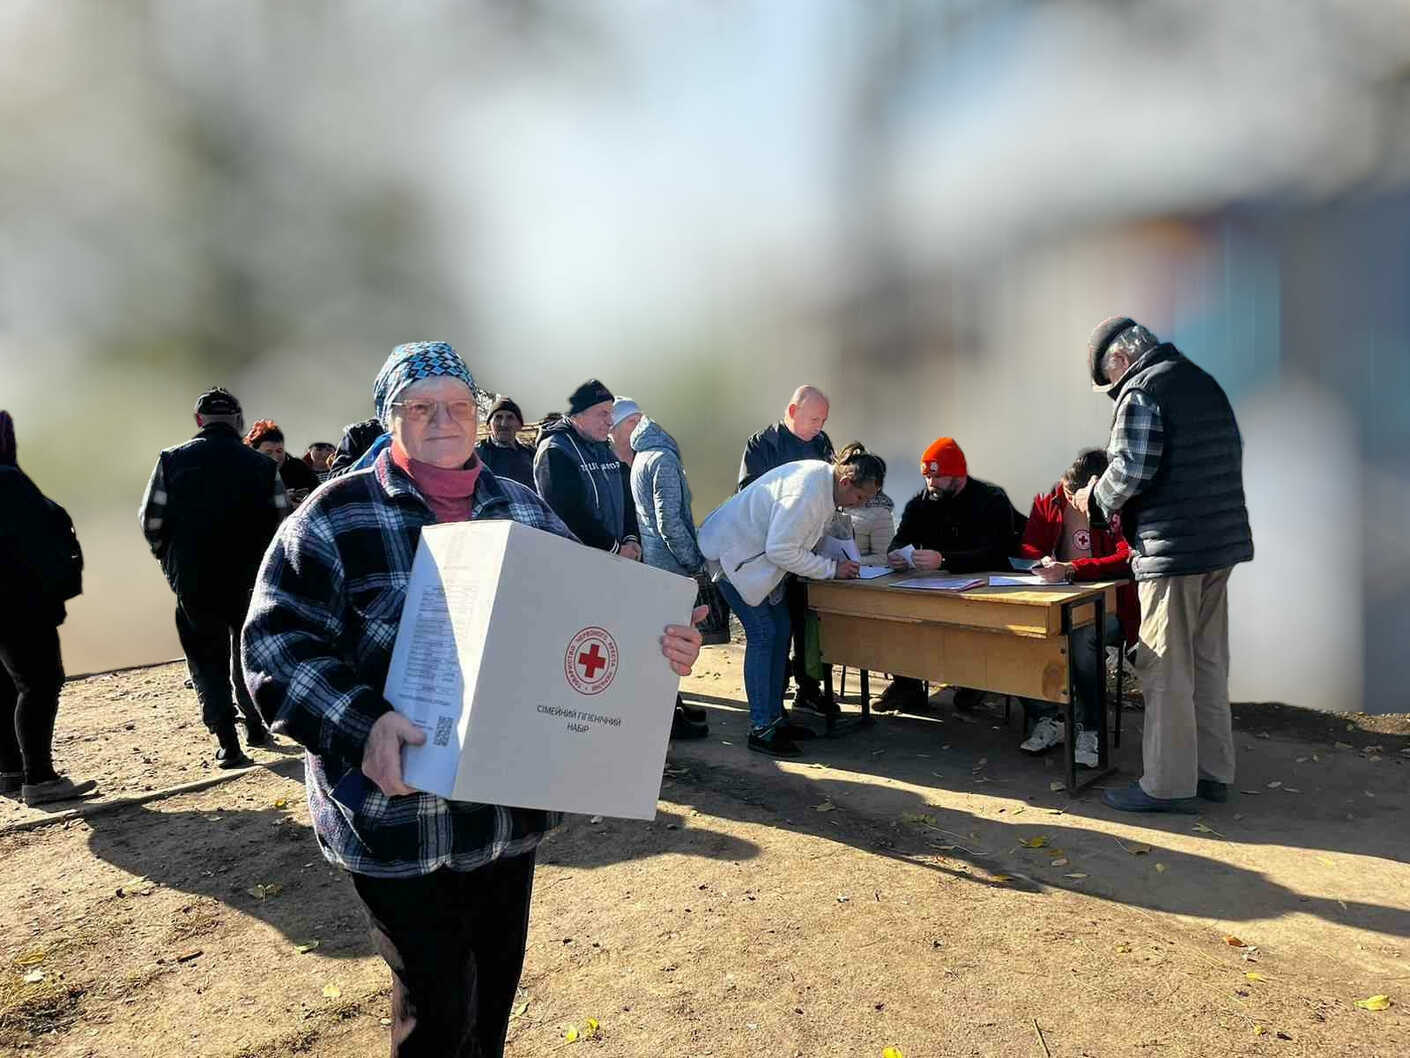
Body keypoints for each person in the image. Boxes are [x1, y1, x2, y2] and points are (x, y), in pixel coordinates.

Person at [241, 341, 705, 1057]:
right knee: (434, 1009)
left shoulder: (521, 507)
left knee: (491, 1000)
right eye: (420, 407)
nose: (444, 420)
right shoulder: (334, 517)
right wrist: (363, 723)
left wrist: (659, 646)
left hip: (502, 816)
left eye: (460, 405)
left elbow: (585, 626)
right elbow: (274, 645)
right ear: (389, 418)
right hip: (398, 819)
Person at [1072, 317, 1253, 813]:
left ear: (1120, 362)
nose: (1114, 392)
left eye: (1110, 382)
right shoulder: (1200, 381)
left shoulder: (1143, 390)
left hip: (1172, 551)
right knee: (1208, 663)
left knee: (1164, 666)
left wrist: (1095, 499)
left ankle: (1168, 785)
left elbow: (1131, 468)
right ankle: (1214, 774)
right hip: (1219, 546)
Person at [698, 451, 884, 757]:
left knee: (781, 629)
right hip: (732, 558)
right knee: (764, 634)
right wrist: (831, 569)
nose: (860, 504)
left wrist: (831, 559)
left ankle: (775, 717)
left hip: (751, 559)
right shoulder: (808, 492)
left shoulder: (824, 483)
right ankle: (761, 728)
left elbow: (798, 540)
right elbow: (781, 549)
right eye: (861, 496)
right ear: (847, 481)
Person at [139, 387, 287, 768]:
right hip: (250, 576)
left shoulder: (171, 461)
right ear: (238, 421)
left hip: (193, 578)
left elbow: (151, 522)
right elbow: (283, 524)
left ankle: (228, 743)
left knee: (207, 656)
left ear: (198, 421)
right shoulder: (262, 466)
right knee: (249, 649)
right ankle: (257, 727)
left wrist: (170, 561)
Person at [1013, 448, 1140, 766]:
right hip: (1057, 601)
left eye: (1076, 495)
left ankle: (1090, 730)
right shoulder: (1050, 501)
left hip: (1113, 608)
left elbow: (1126, 557)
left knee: (1083, 637)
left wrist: (1072, 569)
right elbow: (1028, 545)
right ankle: (1047, 718)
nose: (1070, 501)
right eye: (1066, 492)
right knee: (1019, 629)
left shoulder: (1118, 509)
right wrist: (1040, 559)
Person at [875, 437, 1018, 714]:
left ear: (958, 475)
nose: (931, 484)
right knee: (896, 612)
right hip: (933, 584)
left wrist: (945, 559)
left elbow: (999, 551)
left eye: (938, 477)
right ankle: (907, 683)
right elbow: (901, 538)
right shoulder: (921, 503)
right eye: (927, 477)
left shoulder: (991, 499)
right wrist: (896, 555)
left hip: (984, 583)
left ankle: (975, 681)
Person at [0, 411, 96, 807]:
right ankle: (39, 777)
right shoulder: (8, 479)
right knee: (40, 683)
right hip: (19, 604)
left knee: (5, 685)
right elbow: (41, 533)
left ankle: (10, 771)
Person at [736, 386, 837, 717]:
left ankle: (809, 688)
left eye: (823, 420)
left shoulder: (822, 444)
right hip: (770, 551)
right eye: (813, 419)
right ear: (792, 412)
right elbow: (747, 495)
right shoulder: (762, 444)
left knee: (808, 621)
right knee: (774, 631)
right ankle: (772, 701)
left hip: (809, 548)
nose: (819, 427)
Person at [628, 411, 710, 739]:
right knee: (670, 645)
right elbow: (670, 523)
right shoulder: (663, 459)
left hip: (653, 562)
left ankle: (672, 710)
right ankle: (667, 720)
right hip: (669, 566)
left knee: (663, 641)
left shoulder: (643, 455)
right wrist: (693, 561)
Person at [533, 379, 642, 559]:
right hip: (576, 561)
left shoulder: (605, 448)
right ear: (577, 415)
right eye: (603, 414)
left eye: (611, 414)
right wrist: (615, 549)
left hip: (617, 558)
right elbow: (569, 513)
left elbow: (627, 497)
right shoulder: (556, 451)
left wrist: (631, 538)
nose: (610, 422)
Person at [835, 442, 895, 566]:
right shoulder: (834, 502)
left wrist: (847, 563)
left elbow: (884, 558)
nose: (859, 501)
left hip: (854, 577)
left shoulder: (880, 513)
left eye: (862, 497)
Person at [245, 419, 320, 503]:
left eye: (279, 451)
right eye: (268, 452)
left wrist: (307, 499)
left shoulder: (298, 467)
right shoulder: (243, 472)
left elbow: (320, 493)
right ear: (253, 452)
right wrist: (278, 499)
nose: (275, 457)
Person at [473, 395, 535, 488]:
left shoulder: (531, 456)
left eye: (510, 418)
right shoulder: (476, 456)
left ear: (519, 425)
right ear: (489, 425)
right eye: (498, 417)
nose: (504, 424)